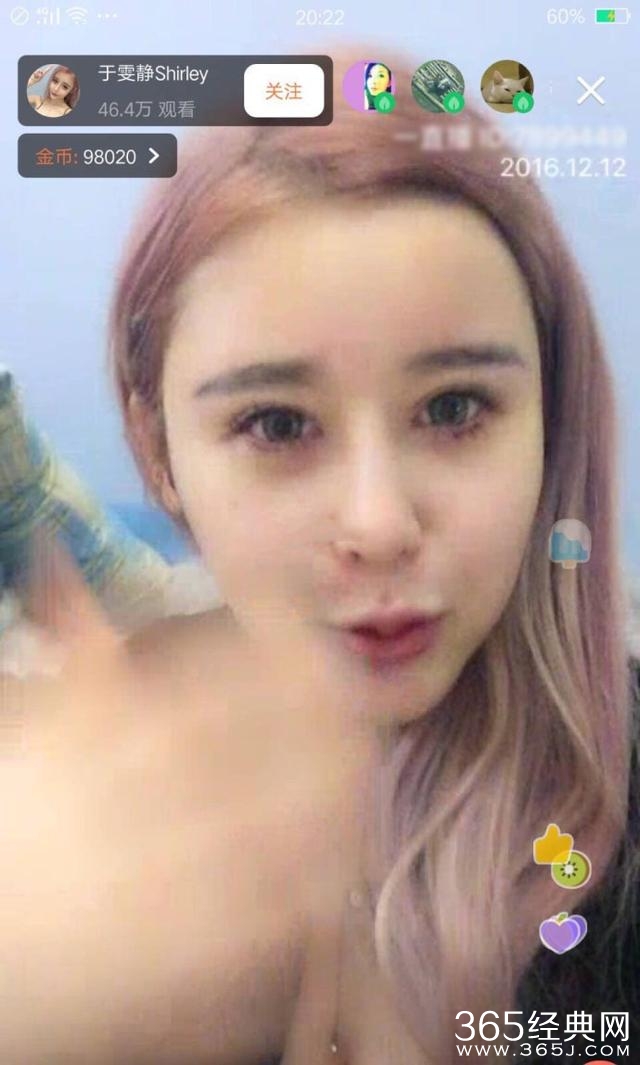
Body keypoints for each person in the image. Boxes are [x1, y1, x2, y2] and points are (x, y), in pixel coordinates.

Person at [1, 45, 639, 1064]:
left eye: (454, 408)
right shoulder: (75, 796)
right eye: (278, 425)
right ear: (160, 452)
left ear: (550, 418)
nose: (378, 524)